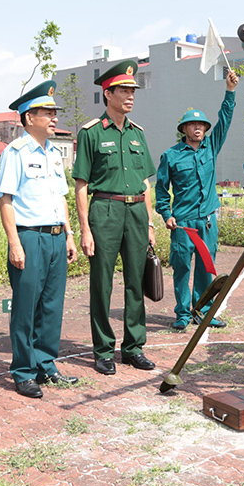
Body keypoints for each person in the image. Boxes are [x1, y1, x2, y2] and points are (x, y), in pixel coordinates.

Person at [73, 60, 157, 375]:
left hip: (136, 211)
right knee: (102, 283)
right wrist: (85, 229)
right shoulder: (91, 133)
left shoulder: (138, 134)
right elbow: (81, 185)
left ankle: (133, 348)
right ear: (108, 94)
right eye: (123, 90)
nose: (130, 96)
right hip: (104, 211)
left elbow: (146, 184)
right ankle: (103, 350)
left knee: (136, 282)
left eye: (132, 90)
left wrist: (149, 223)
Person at [0, 81, 79, 399]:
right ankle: (23, 371)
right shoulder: (15, 153)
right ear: (29, 117)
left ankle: (46, 364)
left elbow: (61, 198)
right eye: (47, 112)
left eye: (54, 112)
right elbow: (6, 200)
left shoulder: (53, 153)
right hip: (29, 238)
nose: (54, 117)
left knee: (51, 306)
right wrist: (14, 242)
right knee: (25, 307)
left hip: (57, 238)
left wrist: (69, 233)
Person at [156, 71, 239, 331]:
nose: (198, 128)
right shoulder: (171, 156)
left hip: (207, 221)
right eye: (193, 125)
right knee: (181, 268)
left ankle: (202, 310)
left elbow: (224, 119)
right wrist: (166, 213)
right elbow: (160, 189)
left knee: (206, 268)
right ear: (184, 129)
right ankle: (182, 313)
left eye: (202, 125)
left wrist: (230, 91)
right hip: (182, 223)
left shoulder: (211, 147)